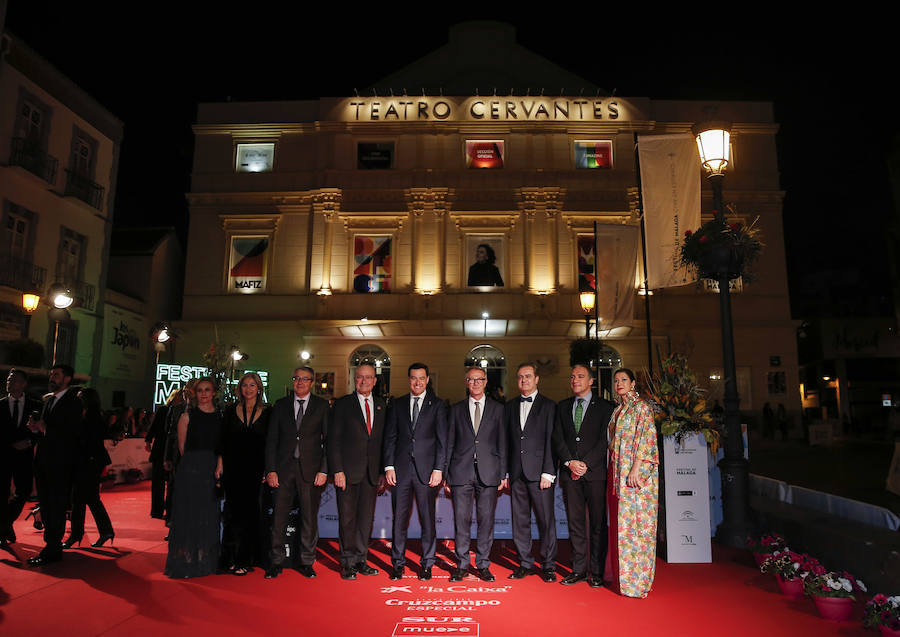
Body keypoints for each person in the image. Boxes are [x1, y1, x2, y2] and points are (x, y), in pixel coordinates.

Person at [383, 362, 448, 580]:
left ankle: (427, 563)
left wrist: (439, 469)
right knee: (399, 519)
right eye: (413, 378)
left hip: (427, 472)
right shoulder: (398, 404)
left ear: (428, 379)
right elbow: (390, 437)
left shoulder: (438, 405)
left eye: (421, 378)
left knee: (427, 519)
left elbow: (442, 441)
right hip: (400, 471)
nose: (417, 382)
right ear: (408, 379)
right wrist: (389, 466)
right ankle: (397, 563)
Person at [552, 363, 614, 587]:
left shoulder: (606, 407)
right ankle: (578, 569)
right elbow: (558, 438)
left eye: (580, 376)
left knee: (598, 523)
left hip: (595, 473)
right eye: (572, 377)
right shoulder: (562, 406)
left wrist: (585, 463)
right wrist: (570, 462)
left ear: (591, 381)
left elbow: (604, 440)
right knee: (575, 523)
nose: (575, 380)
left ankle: (596, 572)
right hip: (570, 474)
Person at [264, 366, 328, 579]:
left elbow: (328, 442)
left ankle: (307, 561)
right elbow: (271, 440)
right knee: (279, 518)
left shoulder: (321, 406)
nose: (300, 382)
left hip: (311, 471)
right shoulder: (281, 405)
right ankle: (276, 561)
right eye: (296, 378)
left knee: (309, 519)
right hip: (282, 470)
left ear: (312, 382)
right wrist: (271, 470)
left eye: (304, 379)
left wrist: (324, 470)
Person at [445, 366, 506, 582]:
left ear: (486, 381)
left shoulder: (498, 410)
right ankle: (461, 564)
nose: (475, 383)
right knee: (461, 520)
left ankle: (483, 564)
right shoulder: (455, 410)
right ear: (466, 382)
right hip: (460, 473)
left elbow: (502, 444)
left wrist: (503, 473)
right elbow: (449, 443)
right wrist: (446, 474)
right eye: (471, 380)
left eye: (479, 379)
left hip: (489, 473)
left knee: (486, 521)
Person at [328, 363, 386, 580]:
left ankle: (361, 560)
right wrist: (338, 470)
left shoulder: (381, 405)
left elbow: (380, 442)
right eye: (360, 377)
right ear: (354, 379)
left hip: (371, 474)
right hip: (348, 473)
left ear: (375, 381)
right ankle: (347, 562)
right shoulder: (343, 404)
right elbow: (334, 441)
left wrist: (381, 472)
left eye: (368, 377)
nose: (364, 381)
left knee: (365, 520)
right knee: (347, 519)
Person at [605, 368, 659, 598]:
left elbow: (648, 440)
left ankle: (639, 582)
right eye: (616, 380)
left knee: (640, 529)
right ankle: (626, 581)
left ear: (633, 383)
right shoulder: (618, 410)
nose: (619, 383)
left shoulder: (642, 408)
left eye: (624, 380)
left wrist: (637, 467)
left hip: (637, 479)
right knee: (625, 530)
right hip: (619, 476)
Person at [164, 377, 223, 578]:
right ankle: (187, 560)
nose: (204, 394)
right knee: (189, 515)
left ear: (214, 392)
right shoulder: (186, 417)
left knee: (207, 516)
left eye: (208, 390)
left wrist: (218, 467)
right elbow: (182, 449)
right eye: (200, 390)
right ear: (195, 394)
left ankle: (203, 559)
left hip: (211, 470)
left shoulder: (220, 417)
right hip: (190, 471)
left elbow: (222, 447)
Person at [26, 364, 84, 566]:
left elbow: (73, 433)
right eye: (51, 374)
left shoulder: (73, 402)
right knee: (47, 505)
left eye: (56, 375)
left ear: (67, 379)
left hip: (60, 464)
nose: (52, 377)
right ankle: (52, 546)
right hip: (44, 460)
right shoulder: (50, 400)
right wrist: (36, 428)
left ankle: (52, 547)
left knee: (56, 506)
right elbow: (48, 431)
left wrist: (46, 427)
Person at [505, 362, 557, 582]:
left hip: (540, 475)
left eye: (528, 376)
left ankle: (548, 565)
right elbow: (506, 442)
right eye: (520, 377)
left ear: (537, 379)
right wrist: (506, 472)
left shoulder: (549, 406)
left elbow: (552, 441)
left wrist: (548, 472)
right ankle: (525, 563)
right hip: (516, 473)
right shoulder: (509, 406)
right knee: (520, 521)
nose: (523, 380)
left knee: (546, 521)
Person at [222, 372, 270, 576]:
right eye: (244, 385)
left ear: (259, 388)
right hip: (233, 468)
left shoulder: (269, 411)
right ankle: (229, 558)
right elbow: (223, 441)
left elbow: (271, 443)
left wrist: (269, 468)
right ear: (239, 388)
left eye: (252, 385)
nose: (248, 389)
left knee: (252, 514)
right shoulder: (230, 410)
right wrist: (220, 464)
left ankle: (246, 558)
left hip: (257, 471)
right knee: (232, 513)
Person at [65, 387, 114, 548]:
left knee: (81, 498)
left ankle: (77, 534)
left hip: (90, 462)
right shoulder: (90, 415)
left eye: (80, 397)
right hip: (88, 461)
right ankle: (102, 531)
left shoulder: (92, 416)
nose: (77, 399)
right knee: (86, 499)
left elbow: (91, 439)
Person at [1, 368, 40, 545]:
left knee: (23, 491)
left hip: (24, 456)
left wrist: (30, 442)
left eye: (14, 379)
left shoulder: (36, 405)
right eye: (8, 379)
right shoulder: (0, 404)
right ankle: (4, 530)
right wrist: (10, 444)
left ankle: (3, 525)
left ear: (24, 384)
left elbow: (42, 431)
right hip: (3, 455)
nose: (9, 382)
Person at [145, 397, 173, 519]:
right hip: (165, 450)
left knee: (160, 483)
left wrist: (148, 440)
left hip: (164, 450)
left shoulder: (164, 410)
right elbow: (154, 426)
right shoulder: (165, 410)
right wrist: (148, 440)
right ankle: (161, 510)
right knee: (162, 483)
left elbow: (153, 427)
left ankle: (159, 510)